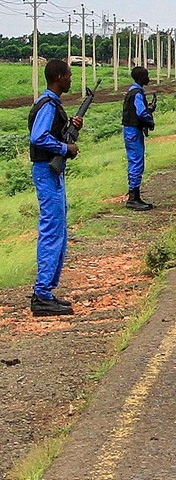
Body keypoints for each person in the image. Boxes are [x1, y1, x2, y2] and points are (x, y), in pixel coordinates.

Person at [28, 59, 84, 317]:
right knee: (52, 230)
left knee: (58, 229)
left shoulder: (51, 104)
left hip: (51, 172)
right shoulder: (48, 104)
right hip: (46, 171)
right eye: (70, 75)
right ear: (60, 77)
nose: (71, 79)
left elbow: (50, 133)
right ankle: (41, 296)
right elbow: (38, 136)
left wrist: (70, 130)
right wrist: (64, 148)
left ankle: (47, 292)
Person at [123, 66, 156, 211]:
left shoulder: (132, 91)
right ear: (141, 77)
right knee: (136, 162)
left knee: (135, 161)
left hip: (130, 130)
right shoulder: (137, 93)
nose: (148, 78)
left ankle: (135, 196)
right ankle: (133, 198)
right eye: (146, 75)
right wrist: (149, 120)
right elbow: (141, 113)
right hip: (133, 131)